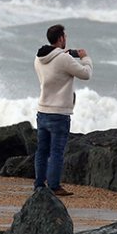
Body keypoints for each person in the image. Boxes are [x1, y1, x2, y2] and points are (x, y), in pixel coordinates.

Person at [33, 24, 93, 196]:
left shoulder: (38, 58)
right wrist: (85, 57)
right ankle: (54, 186)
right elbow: (86, 74)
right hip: (59, 113)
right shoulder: (64, 59)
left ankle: (38, 184)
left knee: (42, 150)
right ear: (60, 38)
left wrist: (64, 56)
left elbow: (54, 71)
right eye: (64, 36)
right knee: (57, 151)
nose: (66, 39)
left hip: (42, 110)